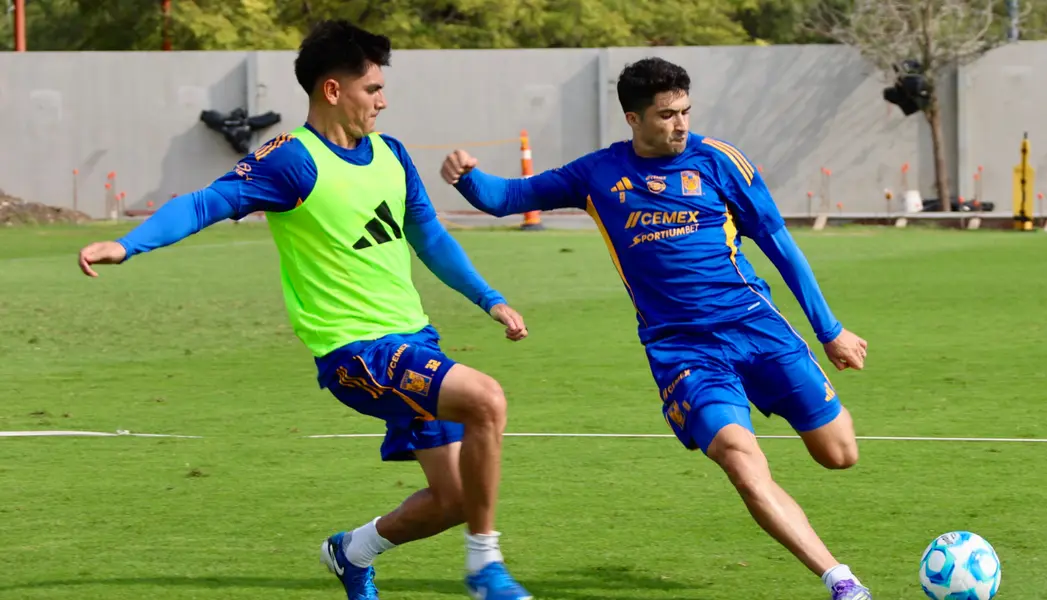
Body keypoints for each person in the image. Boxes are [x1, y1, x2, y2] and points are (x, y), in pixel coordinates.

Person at [76, 20, 533, 600]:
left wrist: (490, 299)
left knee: (458, 499)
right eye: (372, 89)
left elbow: (432, 240)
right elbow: (206, 201)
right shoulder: (292, 160)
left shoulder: (391, 154)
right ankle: (484, 568)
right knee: (487, 399)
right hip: (357, 353)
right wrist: (126, 244)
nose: (384, 101)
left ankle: (352, 551)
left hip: (416, 341)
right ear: (333, 90)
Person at [440, 57, 872, 600]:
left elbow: (780, 245)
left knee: (839, 453)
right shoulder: (596, 175)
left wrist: (829, 330)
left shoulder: (720, 162)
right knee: (742, 460)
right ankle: (842, 581)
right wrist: (467, 177)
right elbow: (507, 198)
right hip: (685, 352)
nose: (681, 123)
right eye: (667, 114)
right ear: (633, 118)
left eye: (686, 111)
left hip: (758, 330)